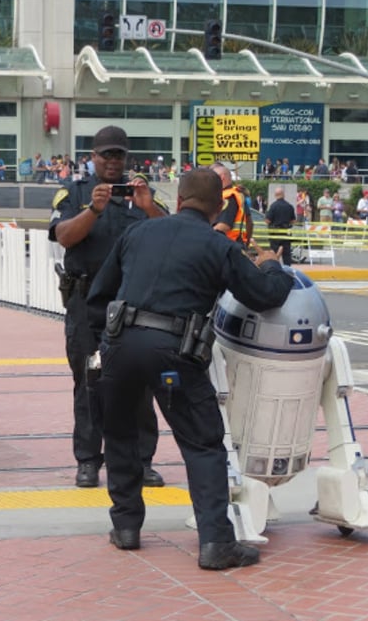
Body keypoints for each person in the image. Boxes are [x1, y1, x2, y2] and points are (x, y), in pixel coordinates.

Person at [86, 168, 293, 569]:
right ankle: (216, 543)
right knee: (202, 444)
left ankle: (126, 529)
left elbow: (100, 296)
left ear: (178, 200)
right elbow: (264, 296)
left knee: (121, 435)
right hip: (173, 352)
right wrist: (271, 265)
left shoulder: (138, 234)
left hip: (120, 346)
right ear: (219, 207)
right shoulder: (219, 245)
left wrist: (104, 345)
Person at [49, 125, 167, 489]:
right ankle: (88, 460)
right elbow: (64, 236)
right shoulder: (75, 193)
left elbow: (174, 236)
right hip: (87, 306)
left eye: (119, 155)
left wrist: (148, 207)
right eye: (106, 155)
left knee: (141, 384)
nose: (113, 162)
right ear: (93, 158)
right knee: (89, 384)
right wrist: (93, 210)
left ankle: (141, 460)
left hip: (135, 306)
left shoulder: (143, 195)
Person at [211, 162, 253, 246]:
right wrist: (246, 243)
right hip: (234, 245)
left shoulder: (228, 197)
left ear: (222, 177)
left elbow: (223, 226)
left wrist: (201, 237)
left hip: (226, 247)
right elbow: (249, 222)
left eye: (211, 178)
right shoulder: (237, 194)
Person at [265, 186, 295, 266]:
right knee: (286, 255)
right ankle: (288, 272)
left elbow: (267, 221)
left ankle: (274, 270)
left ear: (275, 195)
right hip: (286, 233)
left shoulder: (273, 206)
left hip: (275, 234)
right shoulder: (289, 206)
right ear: (283, 195)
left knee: (274, 254)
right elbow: (293, 221)